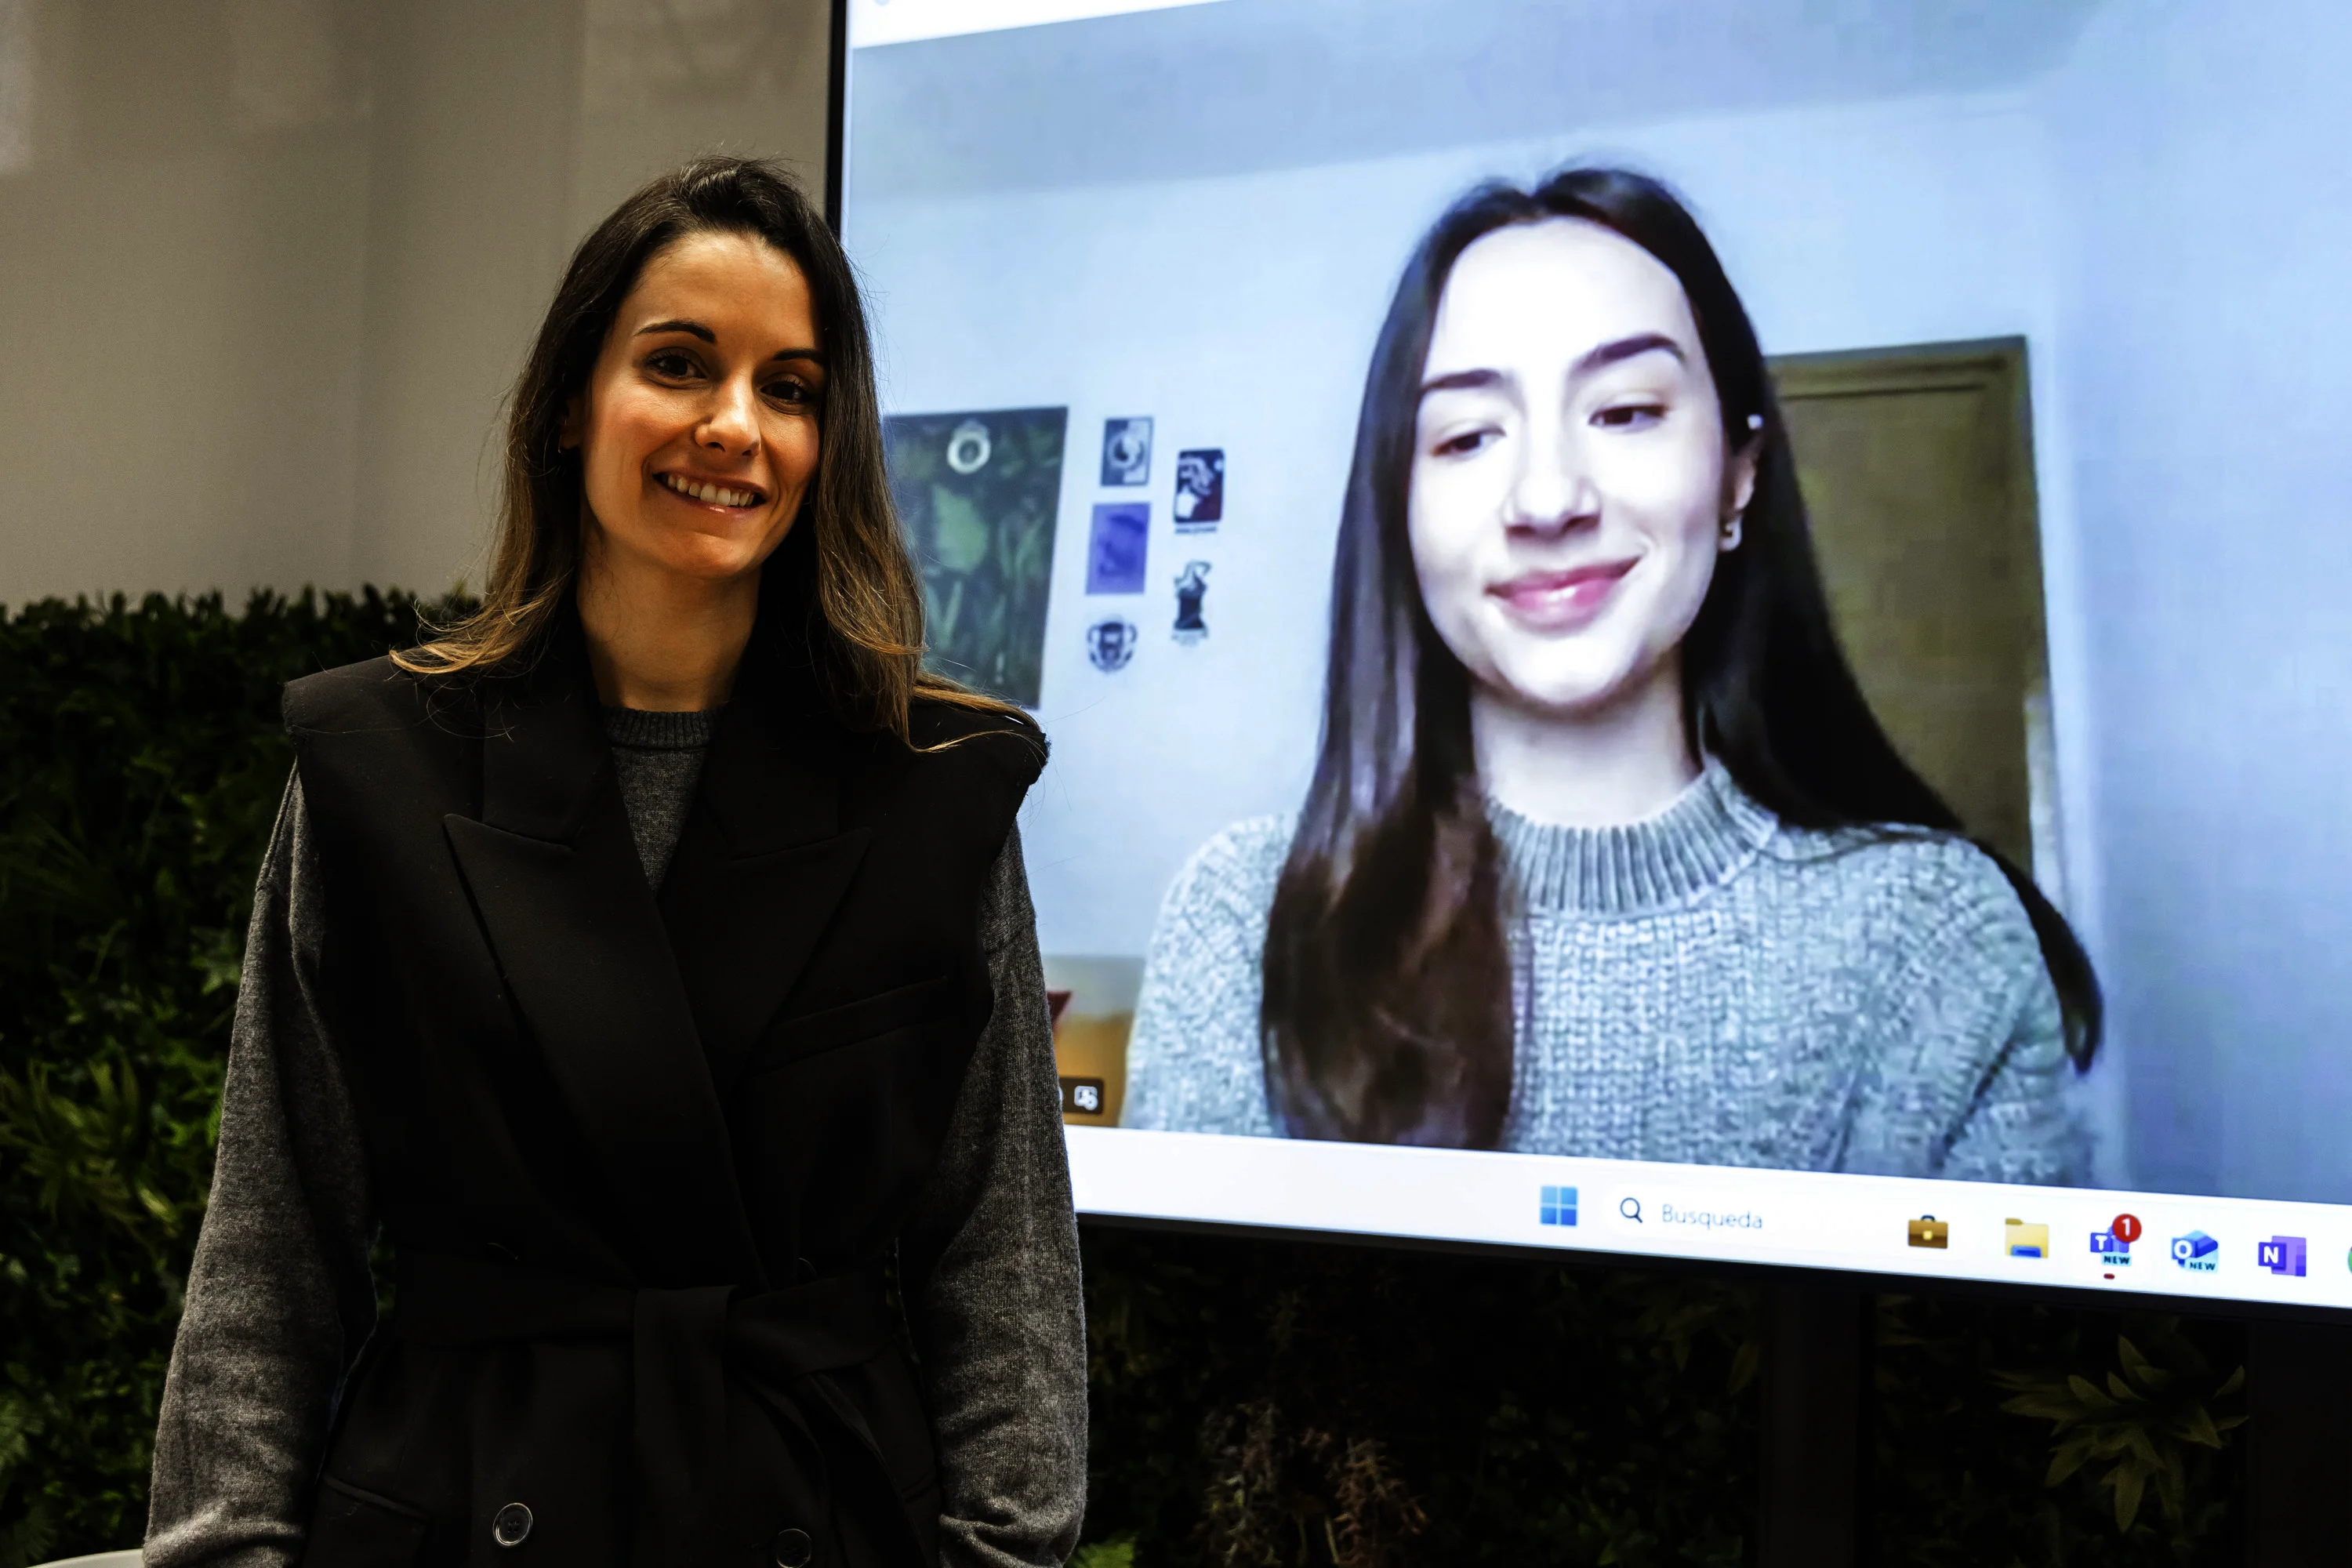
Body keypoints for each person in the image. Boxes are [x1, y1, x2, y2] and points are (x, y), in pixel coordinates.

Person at [145, 158, 1086, 1568]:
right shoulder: (375, 765)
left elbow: (1001, 1270)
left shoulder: (935, 788)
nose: (732, 425)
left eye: (791, 387)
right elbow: (274, 1253)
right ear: (573, 403)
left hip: (815, 1512)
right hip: (459, 1510)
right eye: (680, 363)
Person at [1123, 167, 2096, 1185]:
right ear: (1401, 515)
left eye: (1626, 412)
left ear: (1738, 476)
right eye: (1465, 436)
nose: (1547, 498)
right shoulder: (1248, 921)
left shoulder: (1934, 935)